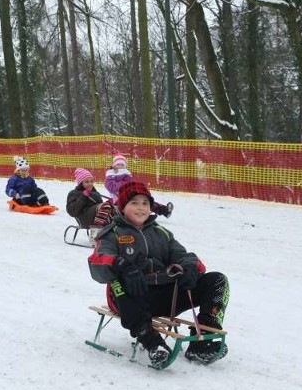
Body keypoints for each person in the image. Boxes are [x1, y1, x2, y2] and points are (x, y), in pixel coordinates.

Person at [88, 181, 229, 367]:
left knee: (217, 280)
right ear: (123, 207)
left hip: (166, 296)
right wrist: (122, 265)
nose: (141, 208)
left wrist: (189, 269)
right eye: (134, 203)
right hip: (131, 297)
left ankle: (202, 342)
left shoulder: (161, 233)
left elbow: (184, 256)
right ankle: (153, 343)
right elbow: (97, 261)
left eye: (145, 203)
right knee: (120, 283)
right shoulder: (112, 234)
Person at [104, 154, 174, 218]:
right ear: (114, 165)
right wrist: (124, 184)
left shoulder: (126, 174)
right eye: (118, 164)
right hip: (118, 198)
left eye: (122, 165)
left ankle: (165, 210)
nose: (120, 166)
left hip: (129, 194)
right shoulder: (110, 174)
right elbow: (111, 187)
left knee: (144, 199)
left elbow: (131, 183)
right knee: (136, 202)